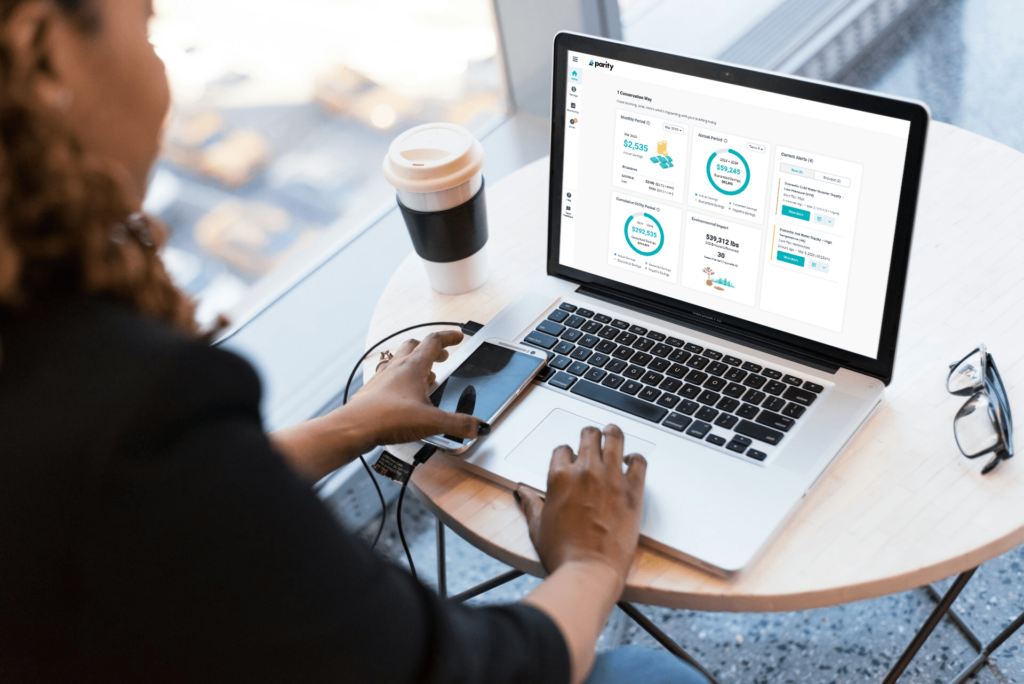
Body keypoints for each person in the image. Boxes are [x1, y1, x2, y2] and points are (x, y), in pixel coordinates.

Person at [0, 1, 709, 683]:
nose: (161, 74)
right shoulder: (130, 400)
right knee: (653, 675)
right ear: (44, 54)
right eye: (147, 27)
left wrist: (350, 425)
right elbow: (464, 669)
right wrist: (588, 563)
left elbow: (151, 501)